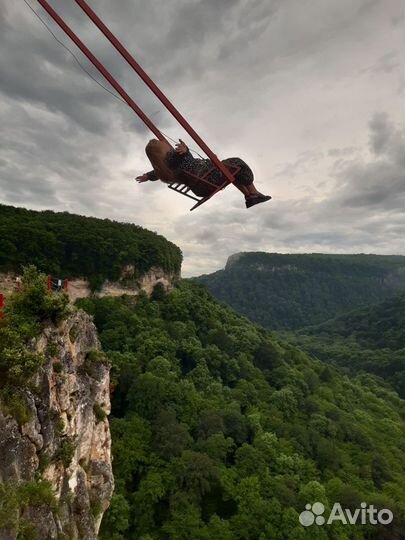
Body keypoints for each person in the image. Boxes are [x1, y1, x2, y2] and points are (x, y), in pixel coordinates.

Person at [136, 139, 271, 208]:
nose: (166, 143)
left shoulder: (163, 167)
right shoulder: (173, 157)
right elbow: (179, 157)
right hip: (207, 179)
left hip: (200, 187)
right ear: (161, 149)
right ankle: (253, 192)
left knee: (230, 170)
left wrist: (147, 176)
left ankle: (250, 196)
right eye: (162, 144)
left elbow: (156, 172)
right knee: (237, 163)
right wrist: (185, 149)